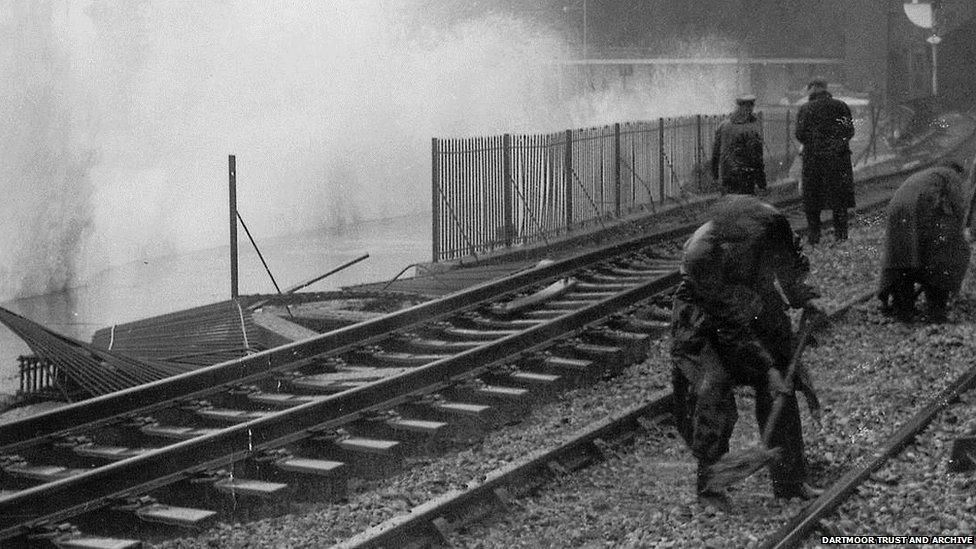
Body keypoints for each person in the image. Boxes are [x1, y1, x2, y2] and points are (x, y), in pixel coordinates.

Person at [670, 195, 822, 510]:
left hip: (756, 299)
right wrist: (765, 369)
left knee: (783, 379)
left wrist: (803, 297)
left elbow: (791, 263)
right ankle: (710, 485)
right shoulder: (703, 254)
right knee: (715, 385)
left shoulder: (772, 223)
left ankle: (790, 479)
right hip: (703, 315)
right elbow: (728, 325)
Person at [878, 161, 973, 322]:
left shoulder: (927, 175)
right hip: (921, 203)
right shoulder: (952, 176)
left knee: (903, 254)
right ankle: (936, 307)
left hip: (896, 206)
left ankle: (903, 306)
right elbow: (959, 207)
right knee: (941, 254)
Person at [795, 78, 856, 245]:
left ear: (812, 89)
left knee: (813, 201)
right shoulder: (841, 106)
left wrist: (815, 143)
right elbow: (849, 131)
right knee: (839, 201)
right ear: (825, 89)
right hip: (838, 160)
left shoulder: (805, 109)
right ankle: (841, 236)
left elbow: (799, 134)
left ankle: (814, 237)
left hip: (814, 161)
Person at [710, 94, 767, 195]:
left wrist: (715, 176)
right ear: (750, 108)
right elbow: (757, 158)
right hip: (745, 177)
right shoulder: (751, 129)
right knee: (745, 207)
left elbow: (715, 154)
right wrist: (762, 184)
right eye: (750, 107)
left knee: (729, 206)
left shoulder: (723, 125)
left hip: (727, 175)